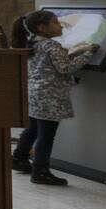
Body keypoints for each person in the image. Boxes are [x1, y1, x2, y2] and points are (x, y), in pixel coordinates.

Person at [11, 10, 98, 186]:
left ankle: (19, 158)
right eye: (56, 22)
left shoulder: (33, 44)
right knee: (46, 135)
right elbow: (65, 68)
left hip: (36, 95)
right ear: (43, 28)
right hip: (50, 97)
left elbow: (54, 62)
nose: (61, 25)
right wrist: (88, 54)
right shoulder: (52, 46)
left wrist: (78, 50)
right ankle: (40, 171)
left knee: (33, 128)